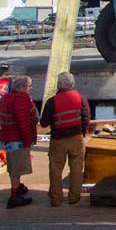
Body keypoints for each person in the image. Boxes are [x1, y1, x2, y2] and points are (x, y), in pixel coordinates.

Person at [39, 71, 91, 207]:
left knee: (55, 170)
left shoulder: (51, 102)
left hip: (58, 140)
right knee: (77, 168)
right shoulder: (81, 98)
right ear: (72, 84)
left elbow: (44, 123)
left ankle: (56, 199)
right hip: (76, 138)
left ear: (58, 85)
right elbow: (86, 118)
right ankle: (74, 196)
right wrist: (83, 133)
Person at [0, 75, 39, 208]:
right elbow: (24, 123)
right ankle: (14, 195)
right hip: (17, 138)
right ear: (22, 87)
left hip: (7, 137)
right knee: (17, 167)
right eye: (29, 86)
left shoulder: (5, 98)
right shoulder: (21, 99)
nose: (30, 89)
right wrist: (28, 140)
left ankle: (18, 187)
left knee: (13, 165)